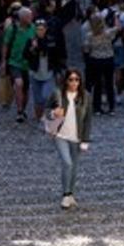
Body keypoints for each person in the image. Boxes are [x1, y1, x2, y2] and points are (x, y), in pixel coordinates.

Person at [46, 68, 92, 208]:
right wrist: (54, 113)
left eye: (76, 79)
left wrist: (85, 139)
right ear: (66, 81)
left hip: (76, 137)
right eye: (71, 79)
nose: (74, 82)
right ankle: (65, 195)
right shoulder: (58, 94)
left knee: (74, 167)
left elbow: (88, 120)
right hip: (60, 135)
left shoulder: (86, 96)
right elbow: (46, 111)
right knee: (67, 163)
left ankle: (71, 193)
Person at [2, 5, 35, 123]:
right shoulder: (13, 29)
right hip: (14, 62)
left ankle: (23, 109)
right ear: (22, 18)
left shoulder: (33, 28)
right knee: (18, 83)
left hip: (27, 63)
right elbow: (5, 45)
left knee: (25, 88)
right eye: (29, 16)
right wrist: (4, 62)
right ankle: (19, 110)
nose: (31, 17)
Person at [25, 16, 63, 120]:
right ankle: (39, 118)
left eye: (42, 29)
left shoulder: (51, 41)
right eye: (38, 29)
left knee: (46, 95)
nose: (40, 31)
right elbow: (25, 56)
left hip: (48, 73)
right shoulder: (31, 41)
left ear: (46, 29)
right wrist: (32, 48)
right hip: (35, 73)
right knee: (38, 99)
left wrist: (58, 71)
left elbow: (57, 56)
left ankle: (49, 113)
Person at [81, 9, 117, 114]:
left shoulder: (90, 36)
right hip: (108, 59)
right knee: (109, 83)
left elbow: (86, 49)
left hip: (96, 60)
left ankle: (97, 107)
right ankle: (111, 107)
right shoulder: (108, 33)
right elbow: (118, 29)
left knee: (97, 84)